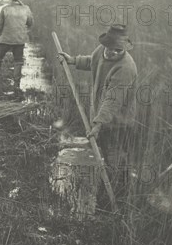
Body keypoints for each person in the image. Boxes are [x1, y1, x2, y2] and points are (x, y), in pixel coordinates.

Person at [57, 24, 138, 191]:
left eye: (118, 50)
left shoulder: (126, 68)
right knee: (107, 154)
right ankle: (115, 185)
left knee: (114, 156)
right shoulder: (101, 51)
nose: (113, 52)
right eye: (111, 48)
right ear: (106, 44)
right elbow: (92, 62)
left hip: (118, 121)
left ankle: (116, 193)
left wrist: (98, 123)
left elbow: (112, 100)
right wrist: (73, 60)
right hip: (102, 117)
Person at [0, 0, 34, 94]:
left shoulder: (5, 9)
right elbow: (30, 23)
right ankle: (16, 85)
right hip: (19, 39)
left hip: (5, 39)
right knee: (18, 61)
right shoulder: (26, 9)